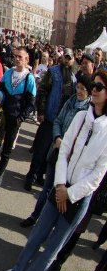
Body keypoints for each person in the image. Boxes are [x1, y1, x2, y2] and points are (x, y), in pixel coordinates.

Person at [1, 70, 107, 271]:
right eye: (94, 86)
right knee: (37, 235)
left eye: (99, 87)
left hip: (78, 197)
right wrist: (60, 185)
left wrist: (68, 194)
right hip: (61, 184)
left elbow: (98, 176)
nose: (93, 90)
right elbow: (64, 151)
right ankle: (18, 269)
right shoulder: (81, 117)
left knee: (52, 248)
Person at [20, 77, 92, 227]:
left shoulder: (89, 112)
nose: (79, 91)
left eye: (83, 89)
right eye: (78, 87)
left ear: (90, 92)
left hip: (71, 160)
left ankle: (47, 224)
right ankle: (34, 216)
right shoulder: (70, 101)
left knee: (58, 193)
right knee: (46, 188)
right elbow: (58, 121)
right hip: (57, 151)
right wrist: (57, 137)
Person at [0, 46, 36, 191]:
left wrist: (20, 119)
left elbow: (31, 104)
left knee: (6, 152)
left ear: (27, 59)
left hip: (14, 121)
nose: (17, 59)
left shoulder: (29, 79)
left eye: (20, 57)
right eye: (16, 56)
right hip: (0, 115)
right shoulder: (8, 73)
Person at [26, 47, 77, 189]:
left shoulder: (73, 79)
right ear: (62, 58)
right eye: (65, 57)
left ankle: (40, 176)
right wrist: (41, 111)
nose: (67, 60)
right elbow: (42, 91)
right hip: (49, 118)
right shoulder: (53, 72)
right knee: (40, 150)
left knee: (50, 152)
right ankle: (31, 176)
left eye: (69, 58)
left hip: (61, 124)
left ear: (72, 60)